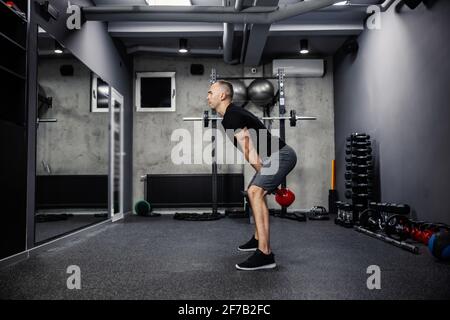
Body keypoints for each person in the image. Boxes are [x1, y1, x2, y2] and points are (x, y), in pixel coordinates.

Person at [207, 80, 298, 271]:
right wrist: (265, 177)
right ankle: (258, 239)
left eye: (210, 92)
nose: (207, 96)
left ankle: (265, 254)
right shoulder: (231, 115)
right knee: (254, 191)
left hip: (281, 155)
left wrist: (265, 178)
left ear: (222, 95)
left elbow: (248, 150)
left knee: (255, 192)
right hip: (275, 156)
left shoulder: (232, 115)